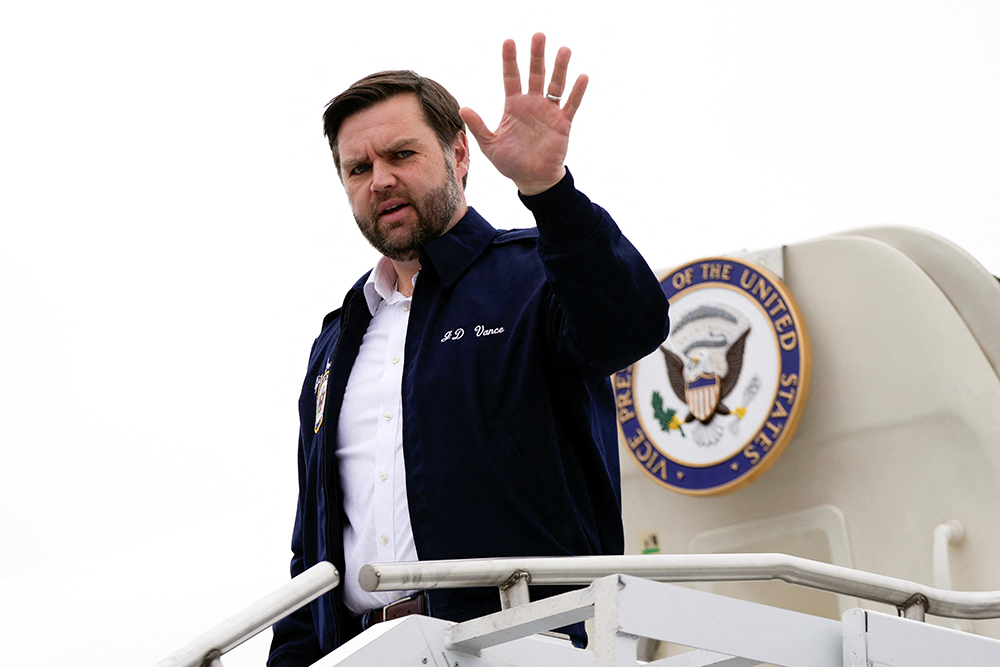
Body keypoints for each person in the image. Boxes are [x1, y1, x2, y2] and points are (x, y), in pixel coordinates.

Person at [267, 33, 670, 667]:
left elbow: (631, 327)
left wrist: (549, 191)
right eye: (358, 167)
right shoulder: (336, 342)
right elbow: (312, 548)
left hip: (525, 645)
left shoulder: (538, 272)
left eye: (402, 153)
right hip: (367, 655)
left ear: (460, 153)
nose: (381, 180)